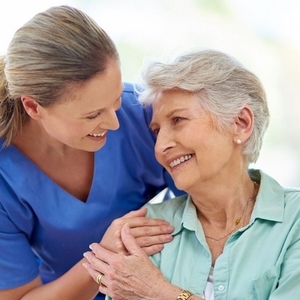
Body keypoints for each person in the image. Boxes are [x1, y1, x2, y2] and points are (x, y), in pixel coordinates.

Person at [83, 49, 300, 299]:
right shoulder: (146, 230)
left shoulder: (294, 220)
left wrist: (158, 292)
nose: (160, 146)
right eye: (156, 131)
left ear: (241, 123)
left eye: (177, 120)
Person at [0, 5, 183, 300]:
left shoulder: (146, 116)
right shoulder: (4, 177)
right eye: (92, 115)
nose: (113, 123)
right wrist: (103, 257)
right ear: (33, 107)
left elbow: (212, 202)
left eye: (115, 99)